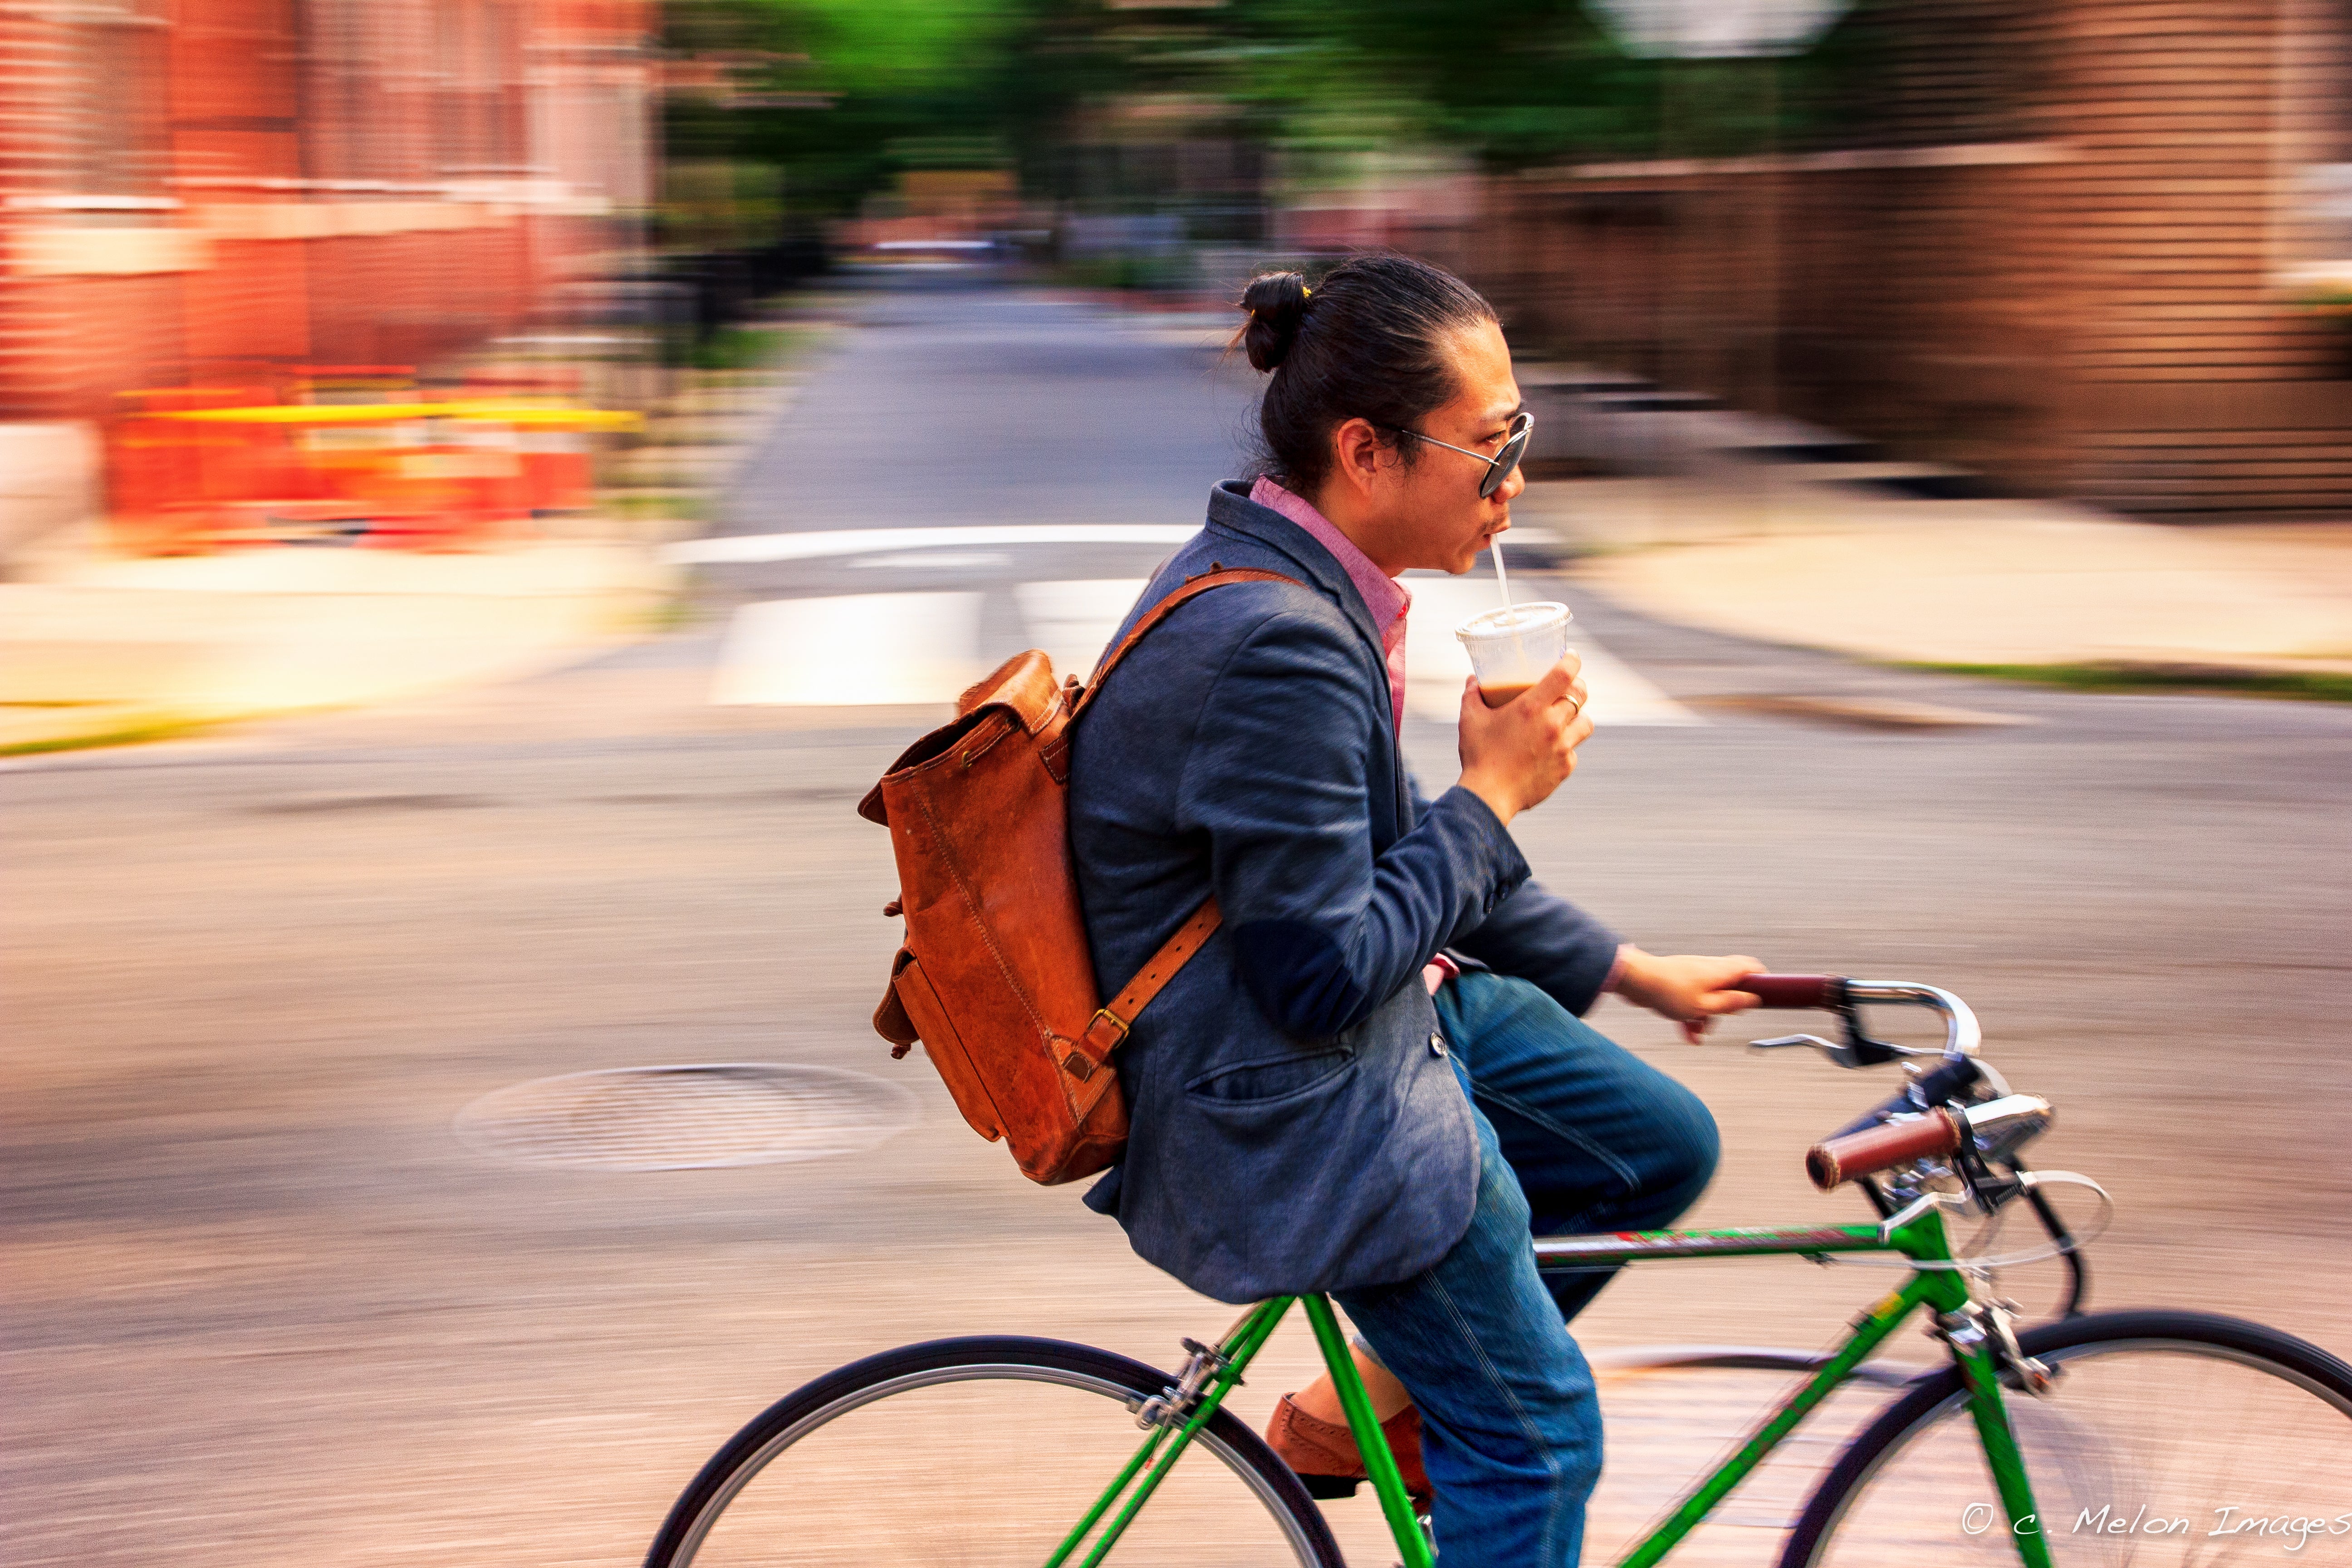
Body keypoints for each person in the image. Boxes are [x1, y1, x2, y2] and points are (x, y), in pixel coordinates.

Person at [1065, 254, 1764, 1568]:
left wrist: (1634, 971)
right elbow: (1319, 975)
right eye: (1491, 449)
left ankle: (1377, 1399)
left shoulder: (1299, 574)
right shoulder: (1281, 640)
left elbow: (1389, 859)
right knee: (1541, 1434)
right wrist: (1494, 798)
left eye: (1521, 437)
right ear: (1367, 453)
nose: (1515, 484)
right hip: (1286, 1090)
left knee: (1650, 1147)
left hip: (1362, 1015)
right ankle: (1456, 1410)